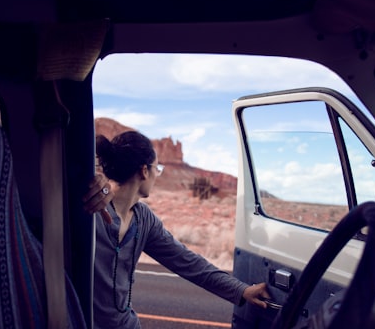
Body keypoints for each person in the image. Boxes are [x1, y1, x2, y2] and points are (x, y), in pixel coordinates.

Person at [83, 130, 270, 329]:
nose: (158, 175)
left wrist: (241, 290)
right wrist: (82, 184)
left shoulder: (143, 219)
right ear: (144, 171)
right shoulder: (89, 208)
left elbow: (188, 262)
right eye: (158, 168)